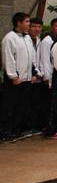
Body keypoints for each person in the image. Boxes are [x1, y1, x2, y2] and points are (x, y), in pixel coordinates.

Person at [1, 12, 34, 141]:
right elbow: (8, 58)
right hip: (15, 80)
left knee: (22, 106)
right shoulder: (9, 38)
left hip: (26, 78)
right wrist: (13, 76)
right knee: (10, 106)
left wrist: (34, 73)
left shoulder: (27, 38)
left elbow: (31, 56)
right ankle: (6, 132)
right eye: (27, 21)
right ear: (18, 23)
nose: (29, 24)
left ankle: (16, 130)